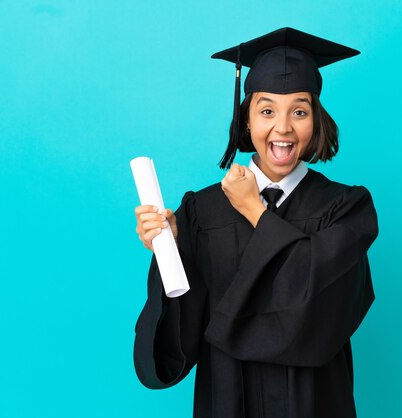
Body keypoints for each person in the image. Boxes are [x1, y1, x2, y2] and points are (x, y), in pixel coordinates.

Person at [133, 27, 379, 418]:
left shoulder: (345, 208)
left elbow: (323, 304)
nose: (282, 128)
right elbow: (179, 342)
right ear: (246, 119)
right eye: (266, 110)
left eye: (299, 111)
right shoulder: (201, 212)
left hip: (316, 405)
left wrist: (253, 211)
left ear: (316, 120)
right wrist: (170, 251)